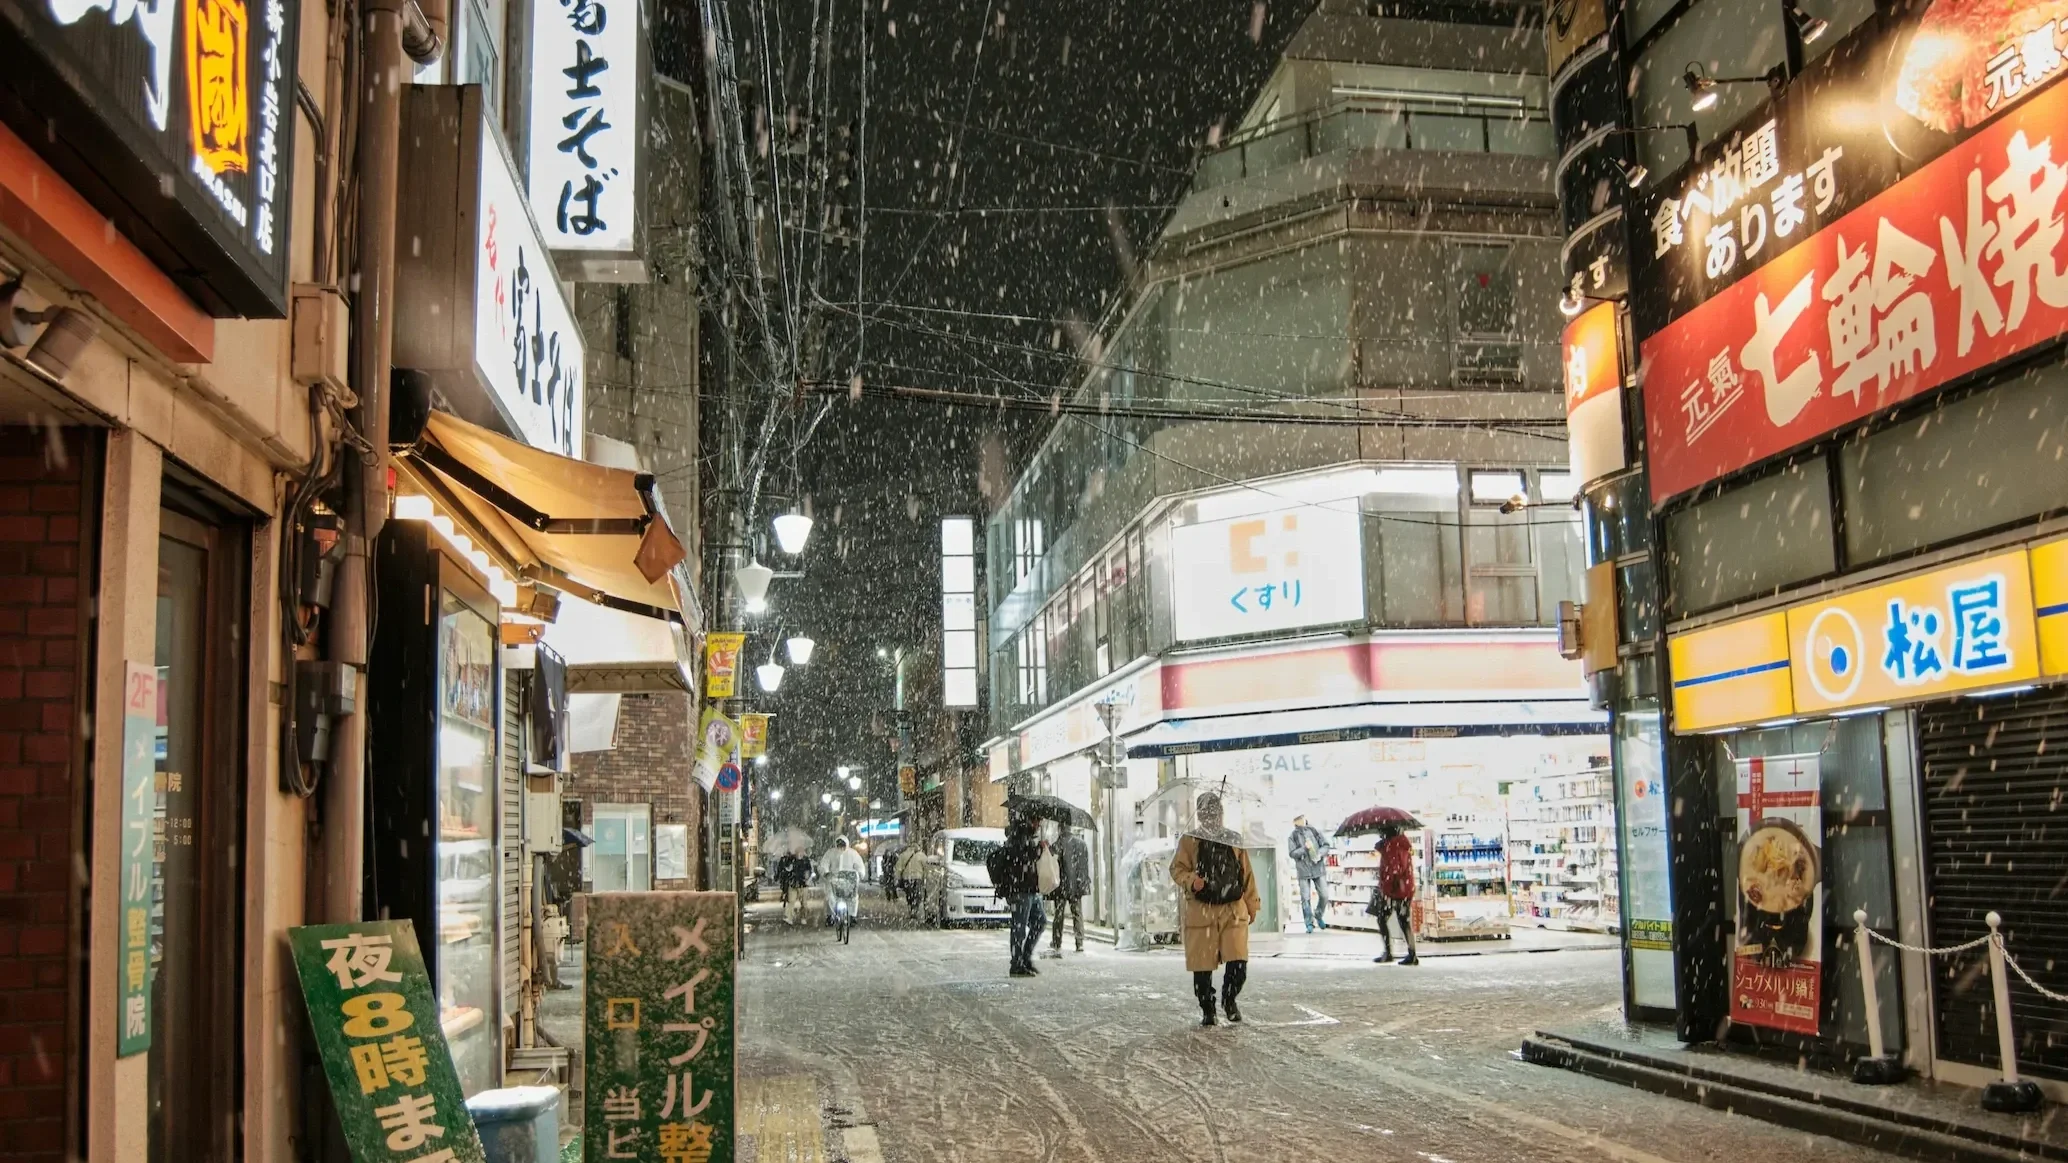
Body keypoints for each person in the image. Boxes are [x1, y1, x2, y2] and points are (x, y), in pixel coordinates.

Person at [1170, 792, 1260, 1026]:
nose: (1212, 817)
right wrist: (1192, 881)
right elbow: (1176, 869)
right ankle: (1208, 1008)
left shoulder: (1233, 839)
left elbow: (1246, 874)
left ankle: (1229, 1000)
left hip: (1233, 909)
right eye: (1207, 813)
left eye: (1216, 812)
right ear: (1199, 815)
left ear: (1221, 813)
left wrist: (1252, 905)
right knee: (1202, 967)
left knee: (1238, 962)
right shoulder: (1189, 840)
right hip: (1201, 911)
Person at [988, 818, 1046, 977]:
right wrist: (1038, 850)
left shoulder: (1026, 837)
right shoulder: (1018, 837)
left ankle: (1025, 958)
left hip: (1030, 890)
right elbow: (1021, 859)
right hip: (1020, 889)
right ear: (1031, 819)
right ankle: (1017, 963)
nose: (1039, 824)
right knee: (1019, 927)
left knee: (1040, 922)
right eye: (1037, 821)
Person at [1369, 826, 1419, 966]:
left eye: (1381, 831)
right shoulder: (1400, 843)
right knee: (1403, 920)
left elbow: (1395, 870)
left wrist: (1386, 889)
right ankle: (1411, 954)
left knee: (1383, 918)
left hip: (1395, 890)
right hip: (1404, 889)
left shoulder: (1393, 846)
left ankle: (1389, 952)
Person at [1044, 820, 1091, 957]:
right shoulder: (1082, 844)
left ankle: (1057, 941)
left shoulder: (1058, 844)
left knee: (1059, 915)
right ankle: (1079, 942)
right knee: (1077, 914)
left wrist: (1047, 848)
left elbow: (1050, 861)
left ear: (1060, 828)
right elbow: (1084, 865)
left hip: (1061, 886)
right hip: (1076, 885)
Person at [1286, 814, 1332, 933]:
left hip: (1318, 868)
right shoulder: (1293, 836)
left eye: (1300, 818)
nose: (1299, 821)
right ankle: (1309, 923)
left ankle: (1318, 914)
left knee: (1324, 895)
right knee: (1305, 898)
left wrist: (1319, 853)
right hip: (1303, 870)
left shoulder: (1314, 831)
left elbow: (1326, 845)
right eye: (1296, 819)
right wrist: (1304, 849)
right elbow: (1292, 853)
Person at [775, 849, 811, 925]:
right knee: (791, 901)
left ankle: (803, 917)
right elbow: (786, 869)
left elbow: (809, 870)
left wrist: (807, 877)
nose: (799, 854)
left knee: (804, 903)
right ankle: (789, 917)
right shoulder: (790, 859)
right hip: (793, 883)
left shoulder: (806, 860)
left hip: (803, 884)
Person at [895, 841, 930, 919]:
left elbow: (898, 868)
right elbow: (927, 867)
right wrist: (926, 877)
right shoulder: (921, 856)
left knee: (909, 894)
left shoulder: (903, 855)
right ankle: (915, 909)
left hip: (906, 879)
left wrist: (898, 878)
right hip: (918, 878)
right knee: (917, 894)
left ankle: (911, 908)